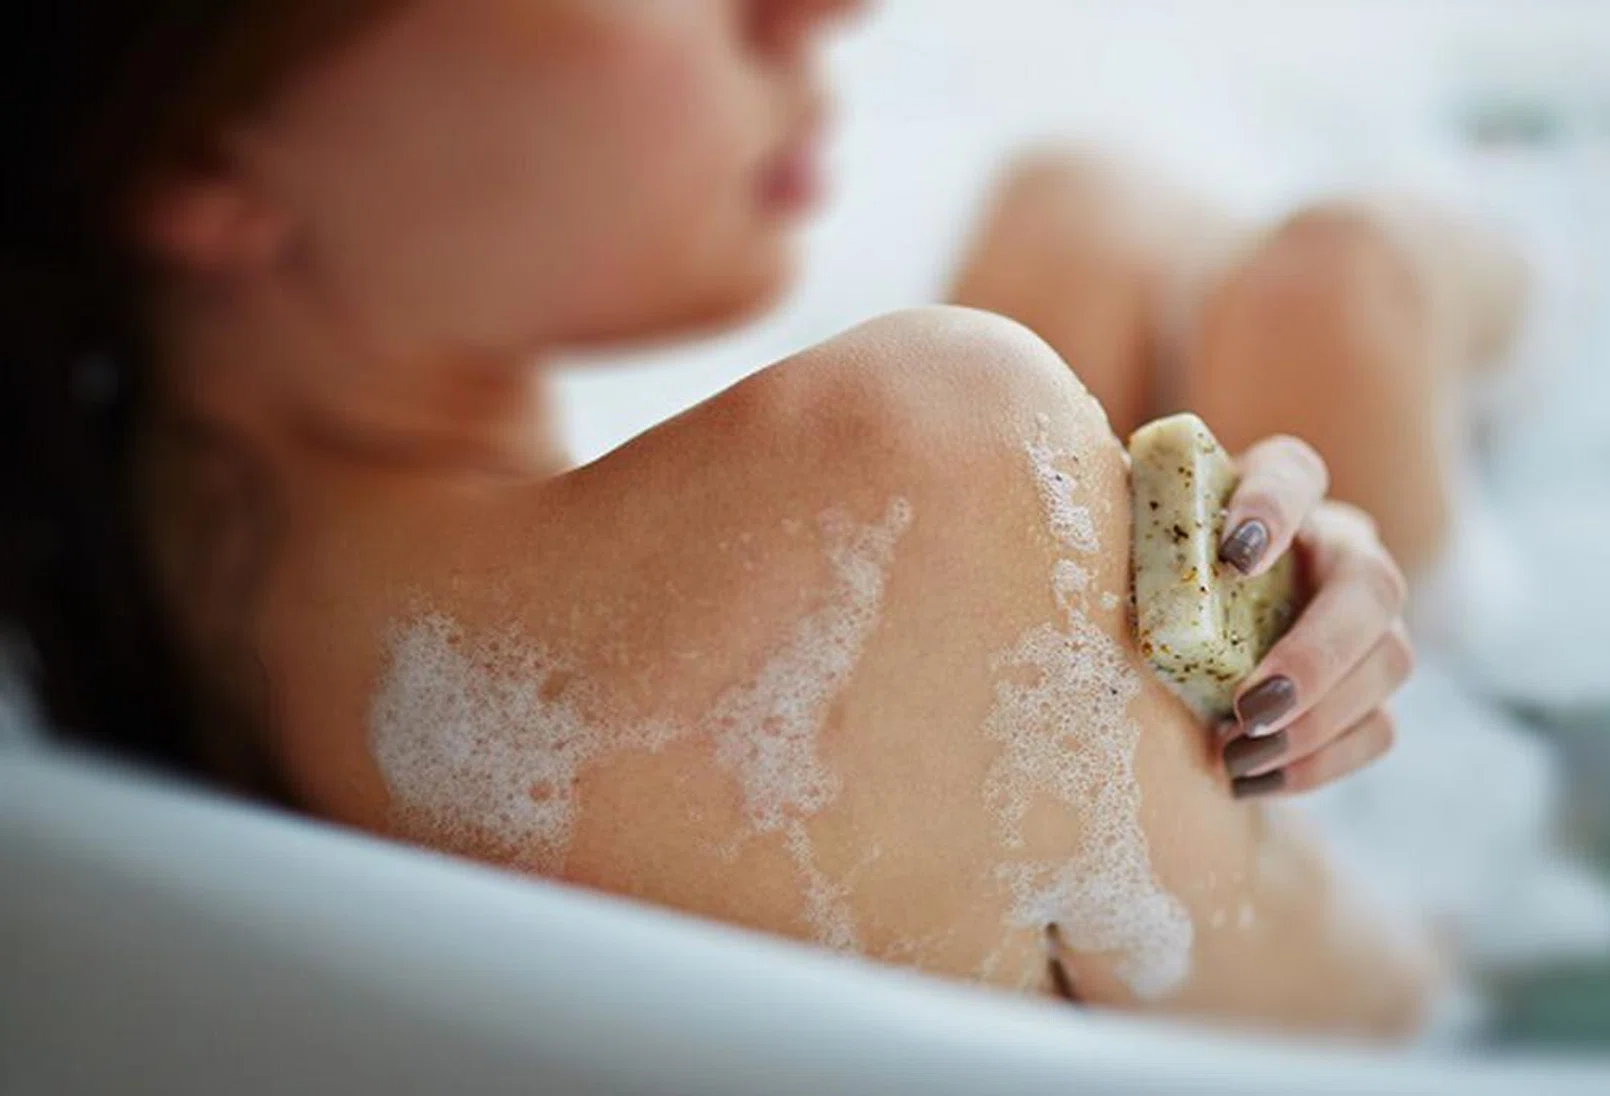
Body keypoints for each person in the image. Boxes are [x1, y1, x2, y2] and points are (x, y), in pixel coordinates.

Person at [2, 0, 1525, 1035]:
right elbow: (1411, 1015)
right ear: (201, 151)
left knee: (1092, 211)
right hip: (1510, 926)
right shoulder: (897, 483)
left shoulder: (169, 563)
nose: (819, 12)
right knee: (1346, 282)